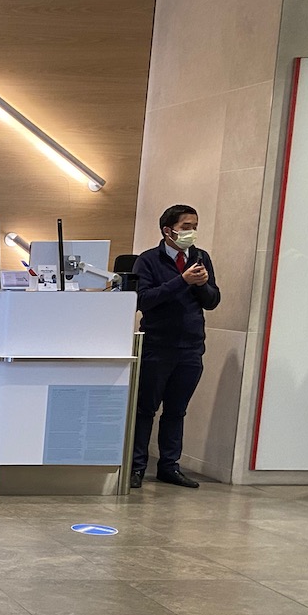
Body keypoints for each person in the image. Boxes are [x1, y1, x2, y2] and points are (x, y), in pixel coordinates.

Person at [129, 204, 221, 489]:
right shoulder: (148, 260)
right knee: (145, 409)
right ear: (167, 230)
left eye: (194, 226)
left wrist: (203, 285)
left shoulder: (200, 257)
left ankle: (170, 466)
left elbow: (212, 300)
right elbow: (143, 300)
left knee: (176, 410)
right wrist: (181, 281)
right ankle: (136, 467)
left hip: (191, 347)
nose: (191, 232)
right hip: (157, 345)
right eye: (185, 227)